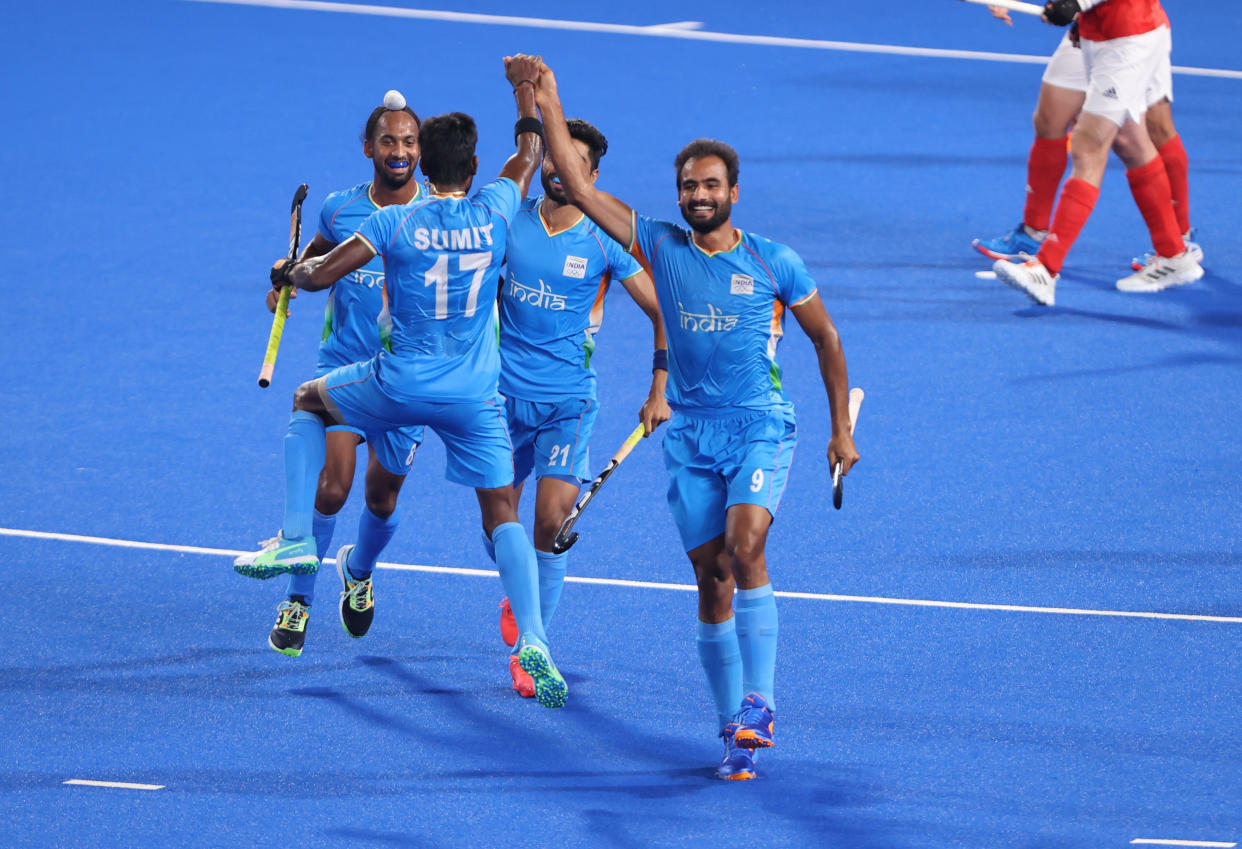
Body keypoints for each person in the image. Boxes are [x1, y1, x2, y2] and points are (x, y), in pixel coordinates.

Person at [532, 61, 859, 779]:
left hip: (759, 425)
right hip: (688, 436)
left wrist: (841, 429)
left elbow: (827, 340)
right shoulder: (658, 244)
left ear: (733, 193)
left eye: (711, 185)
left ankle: (762, 701)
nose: (699, 195)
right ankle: (731, 731)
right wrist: (548, 101)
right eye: (688, 186)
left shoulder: (776, 263)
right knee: (711, 579)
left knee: (746, 549)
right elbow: (580, 188)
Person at [233, 55, 573, 709]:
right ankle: (533, 639)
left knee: (308, 398)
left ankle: (298, 536)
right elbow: (528, 149)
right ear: (474, 171)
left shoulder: (394, 222)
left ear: (425, 163)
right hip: (473, 397)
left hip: (398, 384)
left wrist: (291, 274)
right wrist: (525, 89)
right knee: (503, 512)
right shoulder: (501, 206)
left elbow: (319, 275)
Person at [491, 117, 671, 699]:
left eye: (570, 164)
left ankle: (531, 646)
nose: (556, 172)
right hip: (498, 398)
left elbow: (662, 311)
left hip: (568, 401)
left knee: (549, 526)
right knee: (498, 527)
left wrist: (659, 386)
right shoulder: (510, 220)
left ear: (588, 175)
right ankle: (520, 590)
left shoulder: (603, 238)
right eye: (549, 159)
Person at [245, 96, 426, 658]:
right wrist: (287, 277)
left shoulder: (439, 214)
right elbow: (317, 258)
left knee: (383, 499)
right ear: (368, 148)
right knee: (333, 486)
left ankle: (359, 569)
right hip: (345, 367)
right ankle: (299, 599)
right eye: (389, 141)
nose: (400, 152)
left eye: (409, 142)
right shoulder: (339, 208)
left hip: (407, 378)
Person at [991, 0, 1204, 306]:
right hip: (1102, 32)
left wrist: (1078, 2)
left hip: (1127, 36)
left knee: (1089, 145)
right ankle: (1174, 255)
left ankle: (1046, 269)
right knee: (1129, 141)